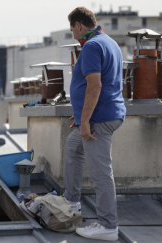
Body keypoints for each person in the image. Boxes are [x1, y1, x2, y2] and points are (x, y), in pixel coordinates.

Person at [63, 7, 126, 241]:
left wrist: (86, 120)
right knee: (73, 148)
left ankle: (109, 226)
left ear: (78, 25)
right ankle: (72, 203)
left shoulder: (90, 46)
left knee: (100, 172)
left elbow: (95, 86)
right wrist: (81, 115)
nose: (73, 34)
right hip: (101, 114)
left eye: (72, 29)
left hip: (100, 118)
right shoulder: (108, 41)